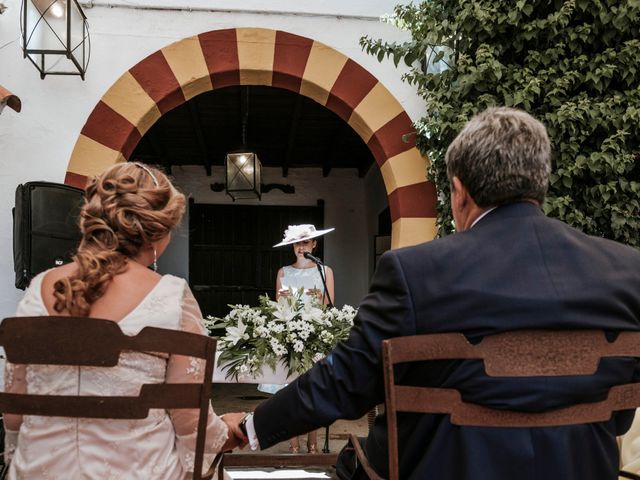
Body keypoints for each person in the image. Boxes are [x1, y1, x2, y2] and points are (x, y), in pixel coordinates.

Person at [230, 107, 640, 479]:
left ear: (460, 192)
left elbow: (344, 382)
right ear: (541, 182)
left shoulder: (414, 272)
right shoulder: (626, 271)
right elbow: (622, 414)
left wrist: (253, 426)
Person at [2, 162, 246, 479]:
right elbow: (190, 424)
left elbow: (14, 417)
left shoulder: (39, 288)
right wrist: (227, 432)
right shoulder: (171, 298)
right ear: (157, 233)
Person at [257, 224, 335, 453]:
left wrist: (316, 303)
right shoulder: (283, 272)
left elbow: (329, 304)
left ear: (314, 244)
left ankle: (313, 443)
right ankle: (294, 444)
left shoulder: (324, 270)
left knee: (314, 390)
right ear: (292, 246)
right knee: (290, 391)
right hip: (291, 335)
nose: (301, 247)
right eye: (297, 243)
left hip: (314, 335)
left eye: (305, 242)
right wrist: (285, 301)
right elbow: (279, 307)